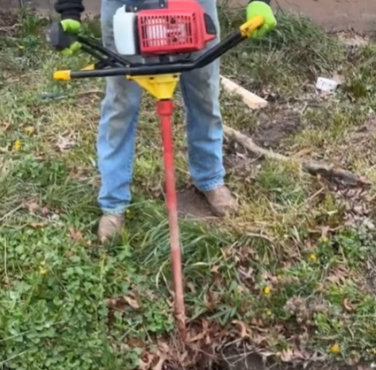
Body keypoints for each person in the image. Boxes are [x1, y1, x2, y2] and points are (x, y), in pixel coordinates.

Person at [51, 0, 276, 243]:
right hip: (126, 7)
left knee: (204, 96)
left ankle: (209, 178)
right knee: (120, 104)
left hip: (193, 5)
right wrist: (69, 9)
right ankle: (113, 203)